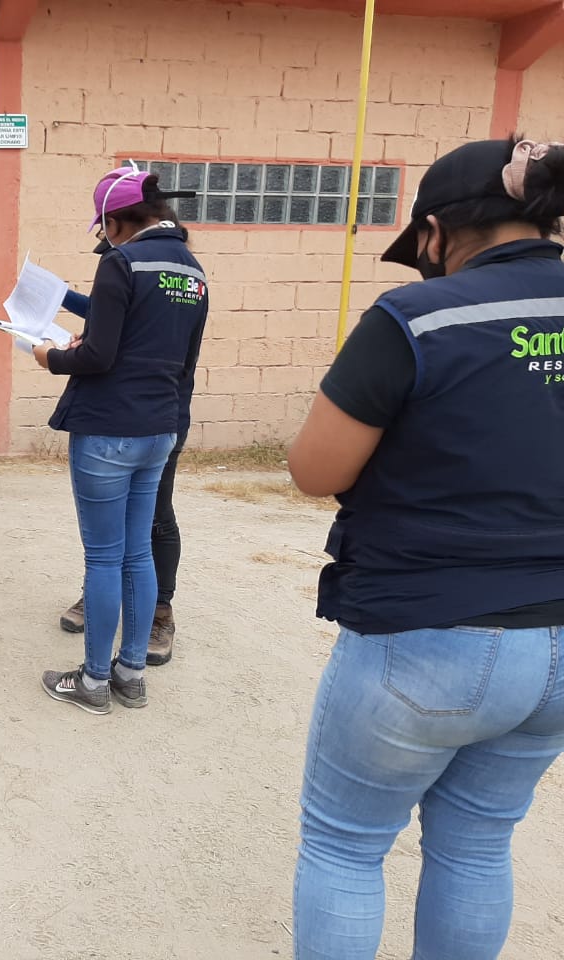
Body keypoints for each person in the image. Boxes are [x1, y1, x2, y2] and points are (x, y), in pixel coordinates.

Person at [287, 136, 564, 959]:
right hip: (558, 645)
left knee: (345, 845)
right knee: (478, 843)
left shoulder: (417, 317)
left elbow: (315, 470)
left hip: (428, 634)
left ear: (437, 232)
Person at [36, 166, 207, 715]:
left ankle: (91, 682)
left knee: (104, 559)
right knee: (137, 554)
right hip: (160, 429)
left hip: (109, 430)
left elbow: (98, 354)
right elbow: (170, 350)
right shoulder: (192, 270)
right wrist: (67, 298)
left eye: (103, 226)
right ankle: (130, 675)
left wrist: (48, 356)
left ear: (115, 221)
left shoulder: (120, 262)